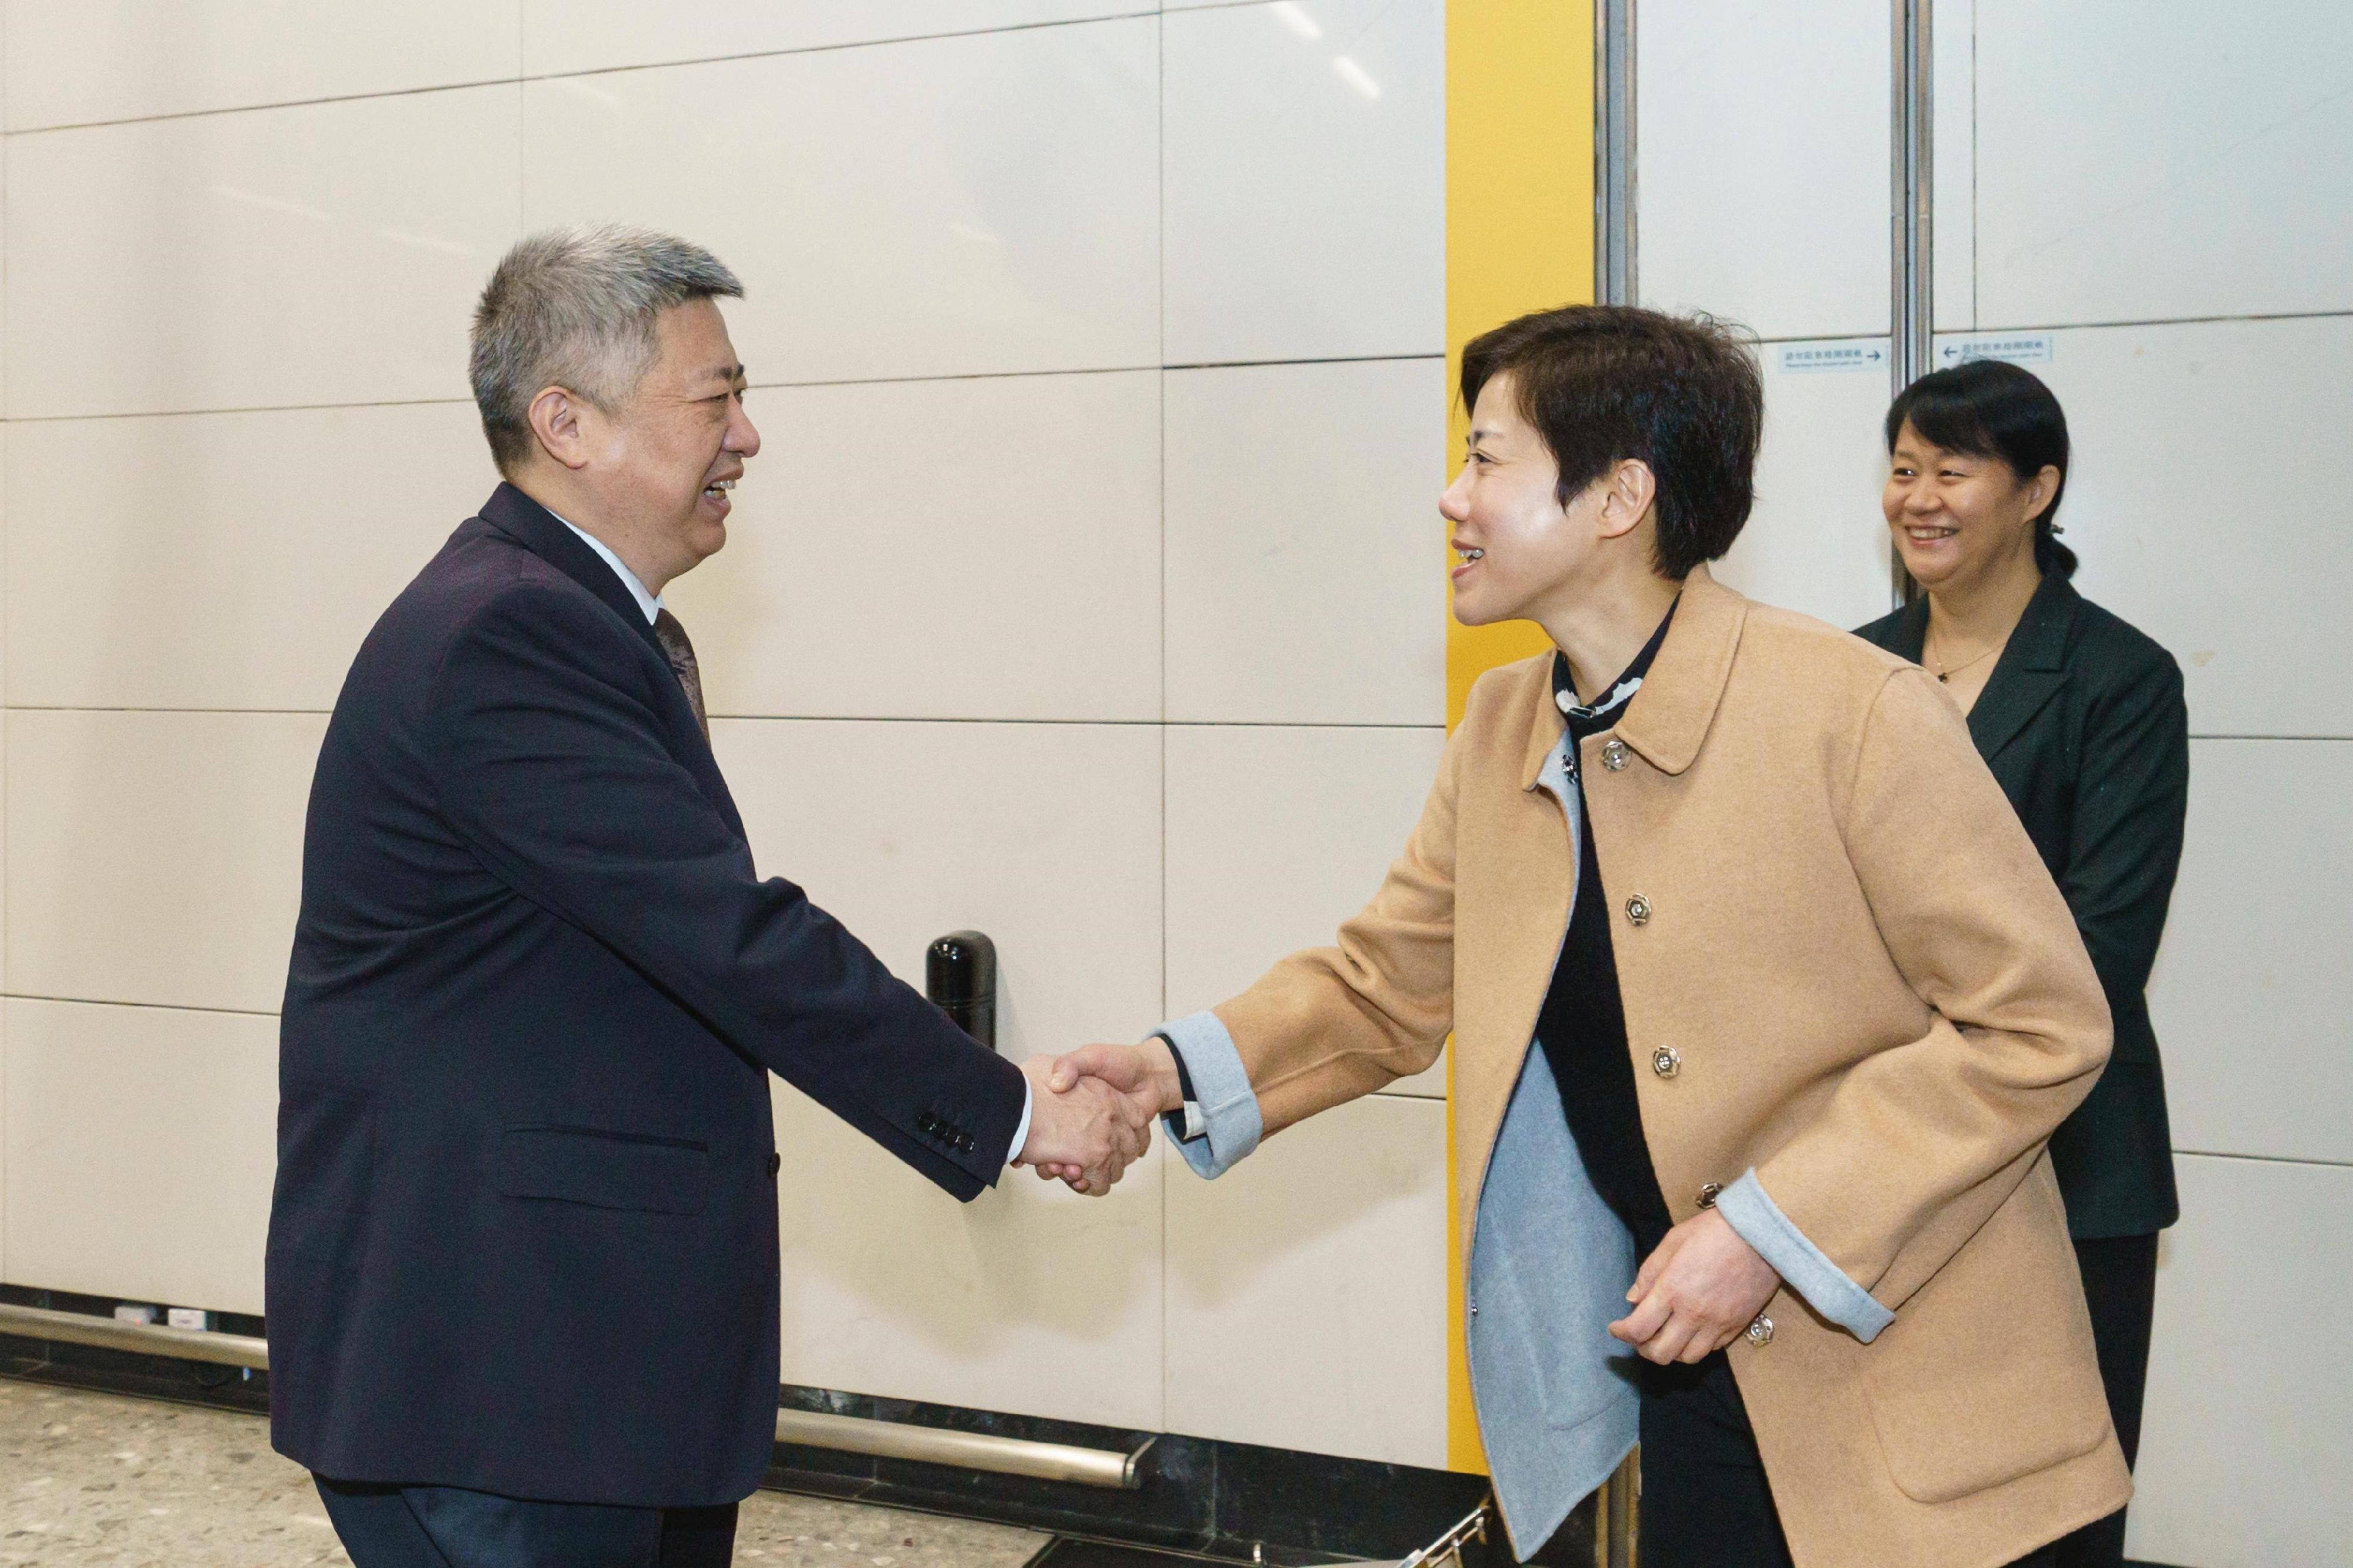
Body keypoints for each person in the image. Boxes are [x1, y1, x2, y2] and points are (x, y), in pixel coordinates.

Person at [1049, 306, 2130, 1568]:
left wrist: (1763, 1228)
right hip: (1693, 1385)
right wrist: (1169, 1071)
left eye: (1486, 457)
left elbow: (2040, 1022)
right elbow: (1382, 983)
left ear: (1618, 495)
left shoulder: (1850, 709)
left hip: (1923, 1397)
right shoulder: (1507, 723)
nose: (1449, 496)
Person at [266, 226, 1147, 1568]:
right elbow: (736, 940)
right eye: (713, 397)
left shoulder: (557, 613)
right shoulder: (510, 633)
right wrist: (1013, 1109)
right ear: (566, 422)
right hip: (505, 1387)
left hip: (577, 1378)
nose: (748, 436)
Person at [1857, 359, 2188, 1568]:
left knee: (2051, 1507)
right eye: (1901, 470)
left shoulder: (2119, 677)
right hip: (1877, 1159)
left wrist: (1905, 1027)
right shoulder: (1853, 669)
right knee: (1882, 1501)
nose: (1918, 498)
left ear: (2036, 488)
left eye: (1953, 470)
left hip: (2065, 1156)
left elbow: (2102, 944)